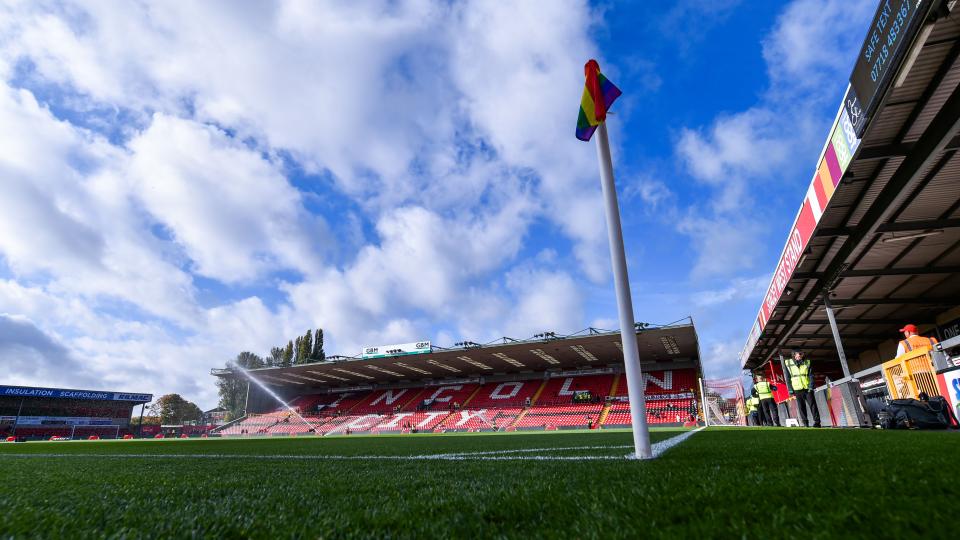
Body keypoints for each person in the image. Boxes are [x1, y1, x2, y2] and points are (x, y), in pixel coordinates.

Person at [785, 350, 820, 428]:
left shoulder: (807, 362)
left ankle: (817, 423)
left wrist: (811, 386)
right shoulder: (788, 363)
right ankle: (805, 423)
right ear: (794, 355)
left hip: (807, 388)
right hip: (797, 388)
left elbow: (811, 375)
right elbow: (787, 378)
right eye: (798, 354)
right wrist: (790, 389)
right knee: (801, 407)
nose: (800, 355)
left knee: (813, 405)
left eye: (801, 354)